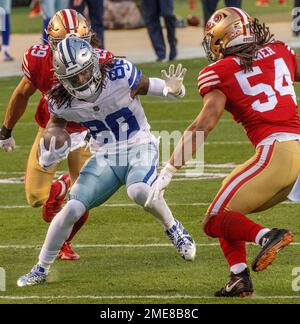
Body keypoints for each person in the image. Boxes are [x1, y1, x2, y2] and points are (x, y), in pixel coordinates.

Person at [17, 36, 196, 286]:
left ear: (93, 63)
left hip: (138, 145)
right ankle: (41, 268)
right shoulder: (60, 99)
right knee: (72, 209)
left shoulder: (119, 74)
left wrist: (175, 89)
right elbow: (54, 125)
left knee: (139, 190)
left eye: (83, 72)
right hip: (104, 154)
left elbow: (155, 87)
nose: (81, 80)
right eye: (73, 78)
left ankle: (174, 228)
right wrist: (52, 143)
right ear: (61, 78)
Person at [146, 7, 298, 297]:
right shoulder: (279, 51)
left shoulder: (219, 71)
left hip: (275, 153)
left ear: (220, 39)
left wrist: (169, 169)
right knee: (227, 198)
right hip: (294, 151)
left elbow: (203, 124)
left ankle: (267, 235)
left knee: (214, 220)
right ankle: (239, 277)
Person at [0, 9, 113, 260]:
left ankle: (63, 242)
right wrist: (6, 129)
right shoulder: (39, 60)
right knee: (35, 198)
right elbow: (21, 94)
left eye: (78, 45)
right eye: (65, 45)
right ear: (51, 44)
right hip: (52, 131)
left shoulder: (103, 60)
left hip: (87, 133)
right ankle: (60, 186)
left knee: (85, 198)